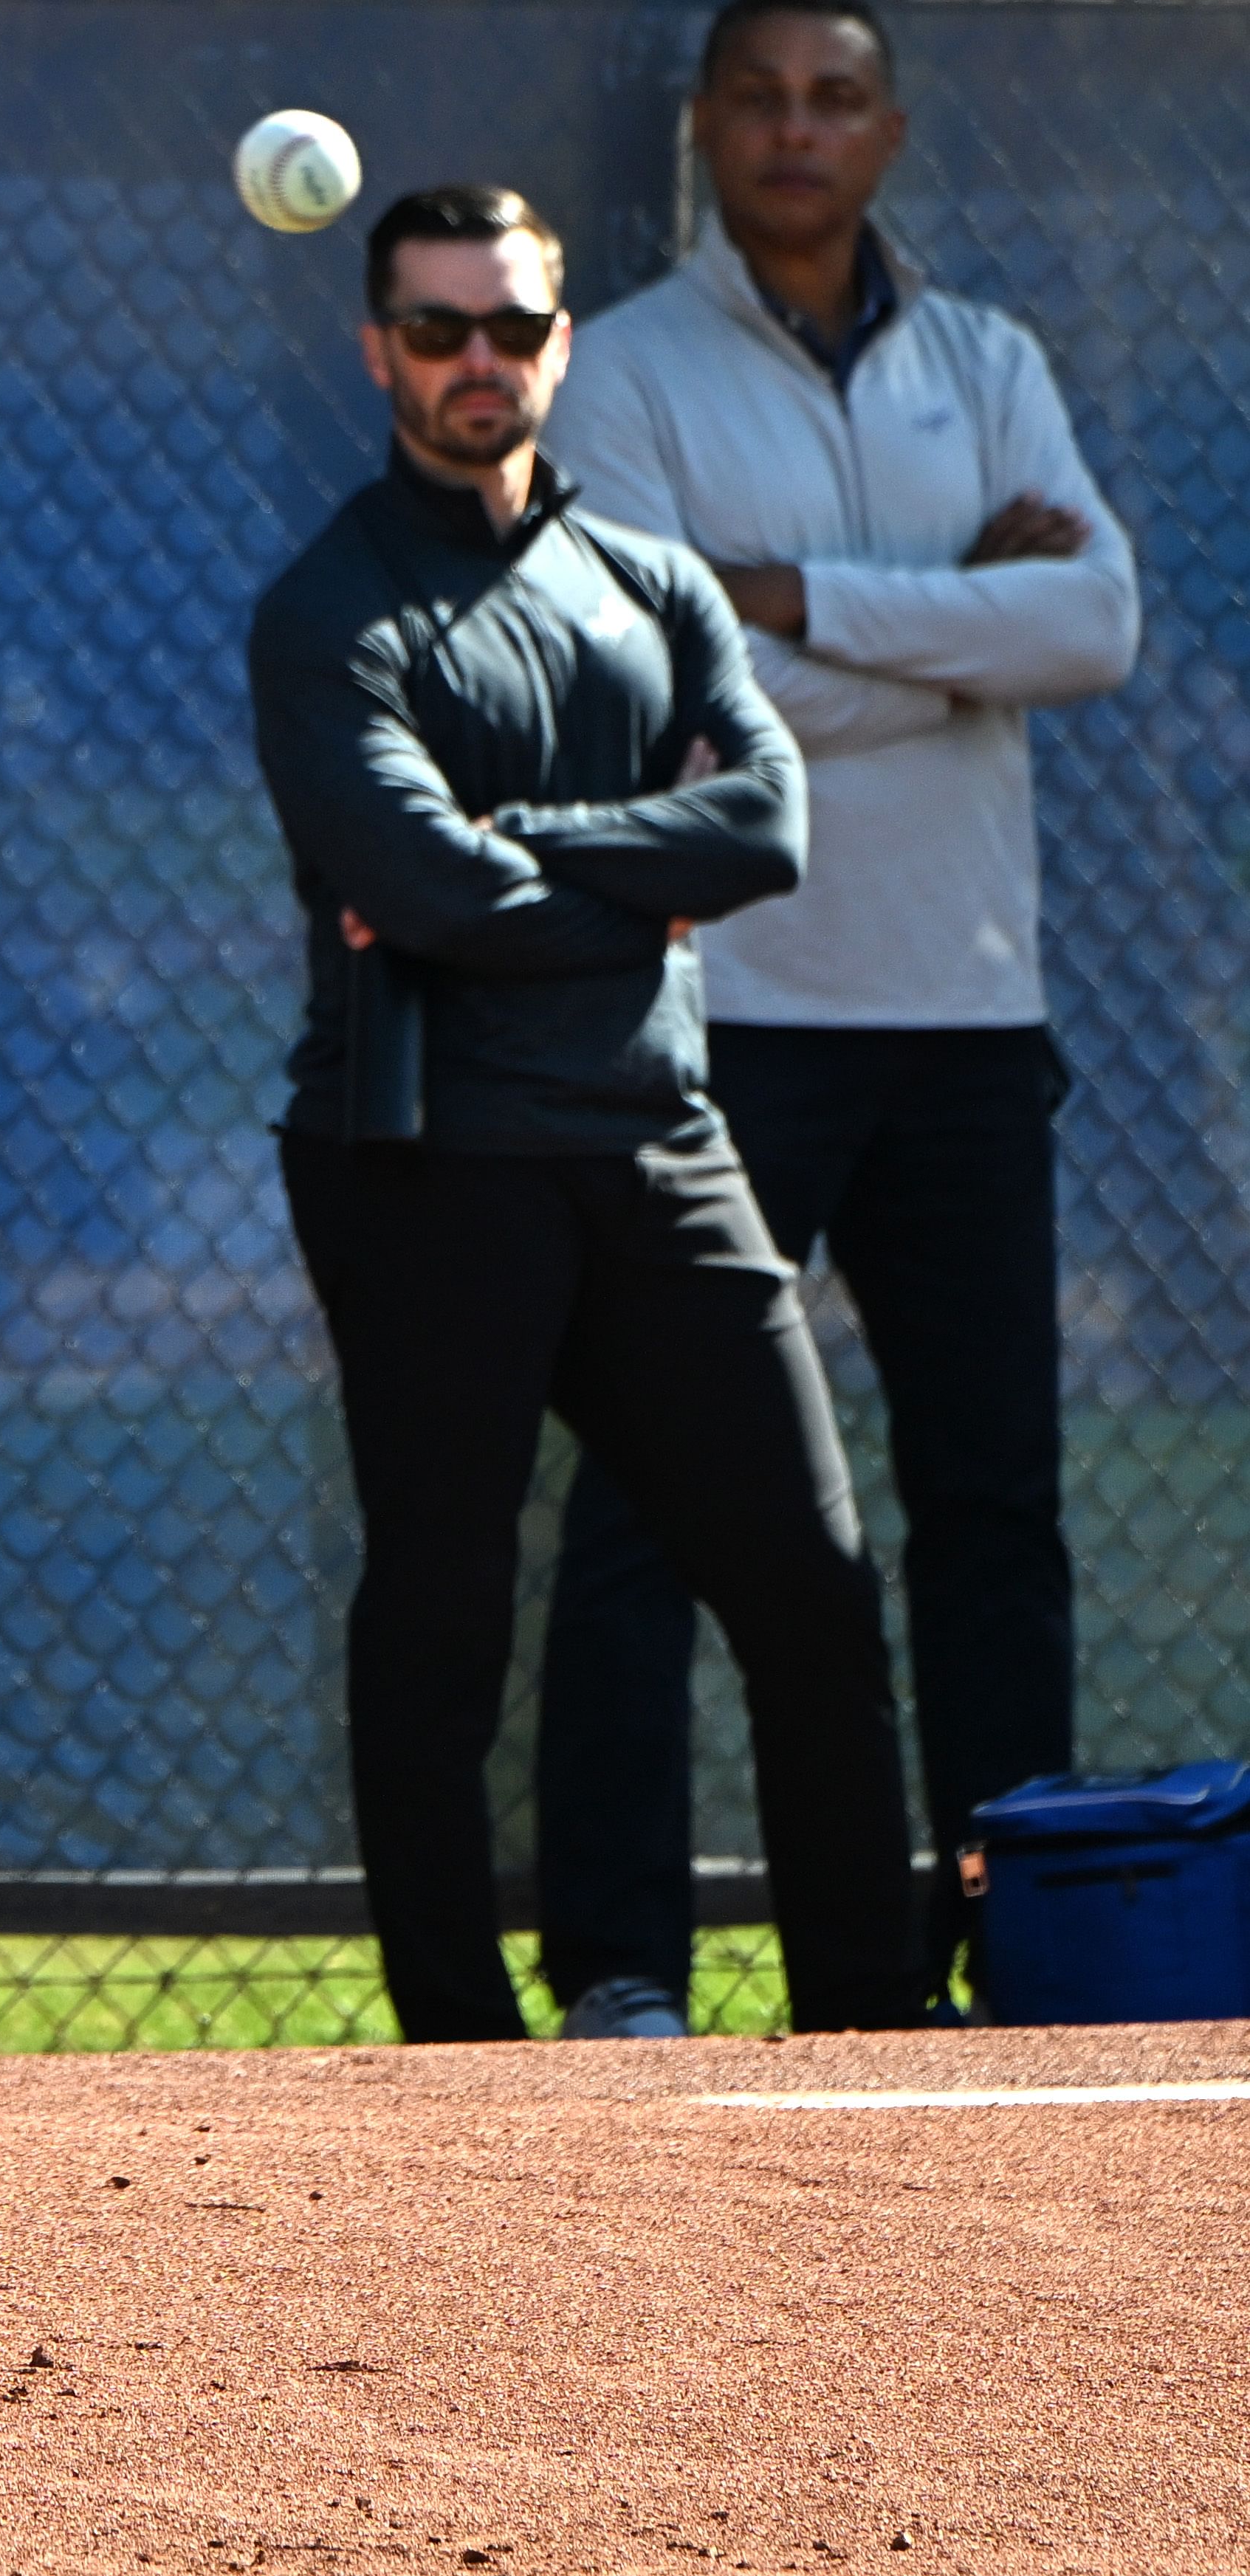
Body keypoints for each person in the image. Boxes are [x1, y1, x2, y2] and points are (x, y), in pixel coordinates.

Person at [247, 183, 924, 2048]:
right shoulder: (329, 609)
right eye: (442, 329)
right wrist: (628, 865)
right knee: (447, 1605)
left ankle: (874, 2007)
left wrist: (518, 849)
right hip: (426, 1162)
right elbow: (414, 888)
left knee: (811, 1586)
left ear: (560, 344)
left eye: (516, 328)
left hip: (658, 1141)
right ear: (381, 348)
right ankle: (459, 2047)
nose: (482, 362)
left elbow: (765, 824)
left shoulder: (654, 581)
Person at [534, 0, 1140, 2036]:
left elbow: (1097, 625)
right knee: (644, 1507)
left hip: (972, 1023)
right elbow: (646, 691)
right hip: (724, 1022)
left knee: (992, 1515)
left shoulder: (991, 363)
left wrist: (790, 600)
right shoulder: (611, 371)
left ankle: (1021, 1944)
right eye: (760, 94)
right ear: (704, 124)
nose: (797, 130)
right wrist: (950, 621)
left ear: (888, 131)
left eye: (836, 96)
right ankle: (623, 1962)